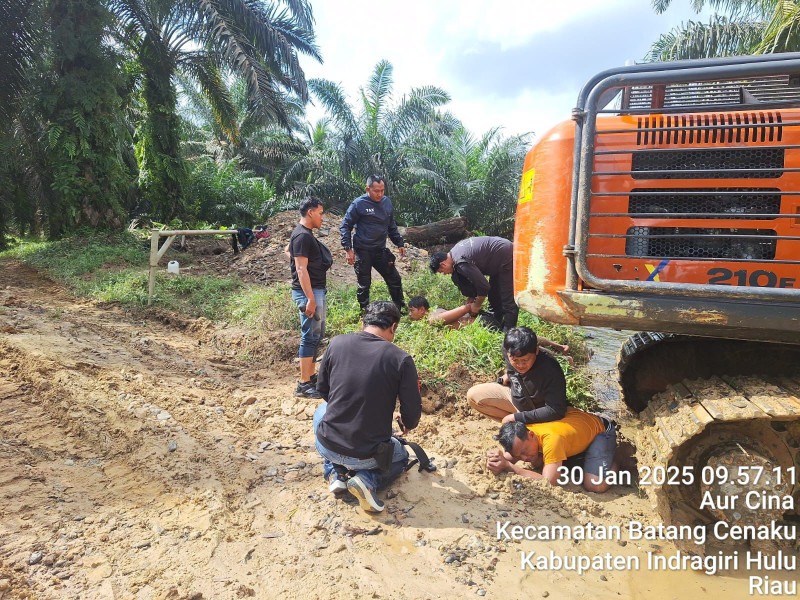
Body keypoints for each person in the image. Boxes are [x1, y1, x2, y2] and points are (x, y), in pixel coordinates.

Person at [313, 301, 422, 513]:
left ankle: (336, 472)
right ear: (393, 327)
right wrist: (406, 423)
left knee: (320, 411)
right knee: (401, 455)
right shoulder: (401, 358)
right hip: (367, 456)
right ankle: (368, 479)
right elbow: (412, 414)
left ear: (363, 323)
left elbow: (323, 390)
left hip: (329, 445)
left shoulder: (337, 343)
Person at [486, 408, 619, 494]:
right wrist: (497, 458)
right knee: (536, 462)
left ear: (531, 434)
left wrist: (509, 466)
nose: (524, 458)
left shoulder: (552, 440)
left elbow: (548, 482)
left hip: (601, 429)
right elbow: (507, 458)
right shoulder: (521, 434)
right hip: (576, 421)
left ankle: (618, 459)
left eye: (525, 451)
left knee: (595, 485)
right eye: (519, 455)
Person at [467, 326, 573, 424]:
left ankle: (524, 425)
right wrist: (509, 374)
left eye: (525, 360)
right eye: (515, 360)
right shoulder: (508, 349)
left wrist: (517, 417)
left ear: (536, 350)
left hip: (540, 410)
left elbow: (555, 410)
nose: (520, 365)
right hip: (517, 399)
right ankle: (519, 426)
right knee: (474, 395)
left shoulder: (550, 369)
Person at [340, 175, 406, 312]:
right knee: (364, 284)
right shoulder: (358, 204)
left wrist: (399, 243)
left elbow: (391, 225)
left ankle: (399, 308)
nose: (380, 194)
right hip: (363, 250)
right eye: (376, 191)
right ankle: (364, 312)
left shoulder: (386, 203)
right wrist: (348, 249)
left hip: (380, 250)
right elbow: (345, 225)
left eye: (382, 190)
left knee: (394, 279)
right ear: (367, 189)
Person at [289, 197, 332, 398]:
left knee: (316, 335)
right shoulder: (302, 236)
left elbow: (290, 253)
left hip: (315, 290)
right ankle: (303, 384)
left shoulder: (305, 235)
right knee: (309, 335)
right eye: (320, 213)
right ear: (310, 212)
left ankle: (310, 377)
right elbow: (300, 269)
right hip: (309, 292)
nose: (322, 217)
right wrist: (310, 299)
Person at [429, 236, 518, 331]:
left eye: (442, 271)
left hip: (505, 254)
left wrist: (476, 305)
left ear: (443, 264)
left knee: (507, 298)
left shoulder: (460, 262)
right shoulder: (455, 253)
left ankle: (508, 331)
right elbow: (475, 280)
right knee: (494, 296)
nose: (445, 274)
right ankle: (496, 325)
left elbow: (484, 287)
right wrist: (472, 298)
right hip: (498, 256)